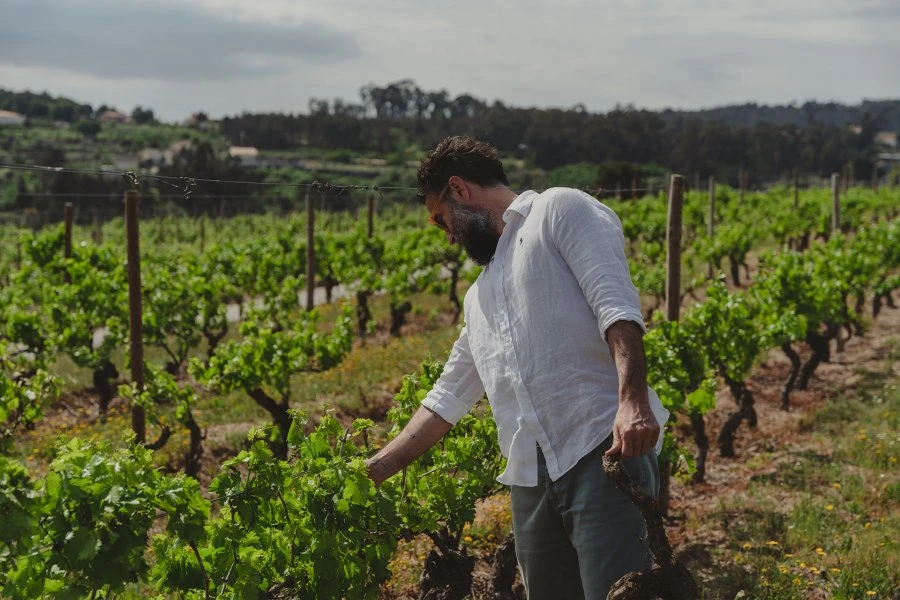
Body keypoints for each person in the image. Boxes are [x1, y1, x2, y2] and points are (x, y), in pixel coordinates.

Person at [365, 136, 669, 599]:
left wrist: (633, 403)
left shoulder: (559, 211)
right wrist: (378, 468)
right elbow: (447, 397)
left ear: (459, 189)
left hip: (603, 453)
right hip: (530, 477)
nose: (446, 234)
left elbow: (617, 308)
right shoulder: (478, 296)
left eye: (439, 218)